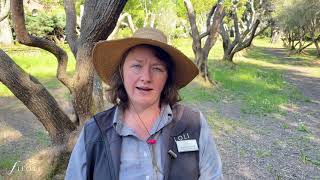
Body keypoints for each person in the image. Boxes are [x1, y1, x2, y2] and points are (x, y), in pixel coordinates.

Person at [65, 28, 222, 180]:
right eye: (136, 66)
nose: (146, 77)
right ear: (122, 71)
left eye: (157, 68)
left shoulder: (193, 124)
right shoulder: (94, 132)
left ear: (167, 76)